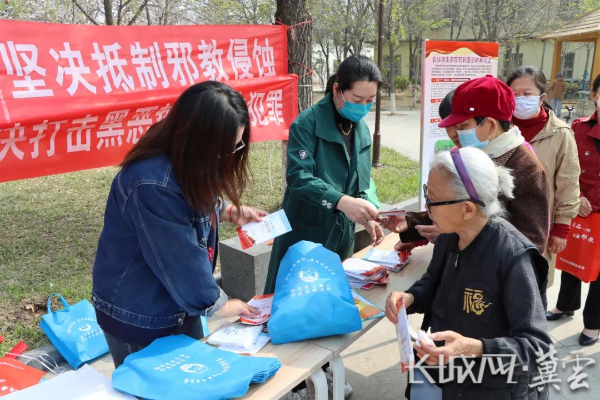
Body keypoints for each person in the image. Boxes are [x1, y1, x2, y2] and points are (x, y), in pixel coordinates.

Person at [92, 81, 266, 368]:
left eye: (237, 145)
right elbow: (180, 259)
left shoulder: (186, 157)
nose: (230, 156)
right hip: (139, 315)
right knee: (158, 385)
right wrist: (220, 304)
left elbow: (195, 193)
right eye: (225, 150)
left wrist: (229, 210)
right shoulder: (151, 184)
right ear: (197, 140)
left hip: (176, 305)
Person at [385, 147, 551, 399]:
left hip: (488, 388)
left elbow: (536, 349)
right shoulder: (449, 235)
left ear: (467, 209)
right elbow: (433, 282)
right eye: (427, 194)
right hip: (439, 374)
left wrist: (473, 347)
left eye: (433, 200)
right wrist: (410, 297)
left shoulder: (513, 257)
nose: (427, 207)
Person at [384, 76, 550, 254]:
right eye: (451, 126)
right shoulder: (467, 157)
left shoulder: (527, 170)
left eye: (463, 126)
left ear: (491, 125)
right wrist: (411, 222)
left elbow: (531, 244)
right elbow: (453, 207)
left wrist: (454, 238)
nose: (455, 134)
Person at [508, 66, 581, 287]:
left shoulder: (560, 133)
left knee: (533, 285)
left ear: (542, 97)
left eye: (527, 94)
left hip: (540, 223)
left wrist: (562, 227)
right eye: (514, 94)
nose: (520, 99)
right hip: (502, 220)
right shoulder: (498, 127)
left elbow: (568, 181)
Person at [545, 73, 600, 346]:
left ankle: (593, 323)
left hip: (595, 206)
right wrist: (577, 198)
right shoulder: (577, 128)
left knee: (599, 270)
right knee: (572, 257)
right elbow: (565, 165)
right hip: (578, 206)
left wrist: (590, 199)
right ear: (594, 95)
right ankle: (566, 304)